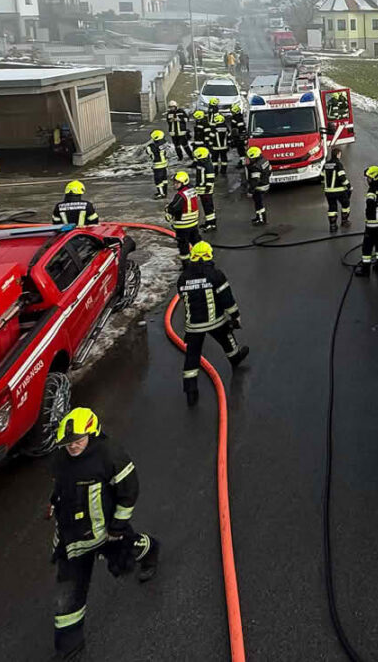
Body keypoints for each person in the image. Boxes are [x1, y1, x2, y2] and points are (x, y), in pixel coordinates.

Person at [48, 407, 159, 659]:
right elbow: (60, 487)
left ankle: (150, 550)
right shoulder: (60, 460)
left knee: (127, 556)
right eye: (68, 443)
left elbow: (129, 490)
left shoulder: (109, 455)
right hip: (72, 539)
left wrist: (118, 527)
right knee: (68, 596)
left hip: (107, 532)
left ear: (91, 434)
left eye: (78, 441)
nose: (73, 447)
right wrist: (53, 503)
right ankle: (70, 648)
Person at [176, 241, 249, 406]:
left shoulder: (183, 278)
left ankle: (190, 391)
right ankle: (235, 358)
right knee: (227, 339)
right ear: (209, 256)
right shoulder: (216, 275)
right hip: (216, 321)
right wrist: (235, 316)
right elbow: (227, 299)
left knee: (192, 357)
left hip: (193, 326)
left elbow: (183, 297)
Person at [355, 165, 378, 277]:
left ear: (374, 177)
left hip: (373, 224)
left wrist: (368, 218)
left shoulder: (371, 191)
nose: (368, 180)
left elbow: (370, 206)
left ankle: (365, 270)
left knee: (367, 247)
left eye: (369, 178)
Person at [165, 170, 202, 261]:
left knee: (183, 247)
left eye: (177, 183)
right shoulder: (192, 190)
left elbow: (174, 207)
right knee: (196, 242)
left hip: (183, 225)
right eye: (174, 182)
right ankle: (201, 259)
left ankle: (186, 265)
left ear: (183, 182)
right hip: (193, 223)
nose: (175, 184)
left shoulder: (181, 195)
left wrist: (168, 210)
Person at [320, 144, 351, 232]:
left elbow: (322, 176)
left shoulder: (326, 164)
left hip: (328, 192)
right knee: (345, 205)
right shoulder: (338, 164)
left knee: (332, 207)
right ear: (338, 154)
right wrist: (349, 186)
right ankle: (344, 222)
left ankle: (332, 226)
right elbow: (342, 177)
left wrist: (326, 186)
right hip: (339, 190)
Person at [192, 146, 217, 231]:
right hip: (202, 188)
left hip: (206, 190)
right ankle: (209, 221)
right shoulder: (201, 163)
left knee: (208, 207)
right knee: (206, 206)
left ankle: (211, 224)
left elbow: (210, 178)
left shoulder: (208, 165)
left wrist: (207, 189)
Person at [244, 146, 270, 225]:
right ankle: (259, 217)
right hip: (265, 184)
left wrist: (250, 191)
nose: (247, 159)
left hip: (259, 188)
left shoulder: (255, 167)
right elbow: (269, 171)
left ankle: (261, 219)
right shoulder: (264, 160)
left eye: (249, 158)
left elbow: (255, 180)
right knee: (258, 203)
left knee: (259, 204)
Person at [146, 130, 169, 199]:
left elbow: (148, 152)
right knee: (164, 179)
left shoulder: (151, 147)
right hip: (164, 164)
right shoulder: (164, 143)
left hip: (157, 166)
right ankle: (165, 192)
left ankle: (161, 194)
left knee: (158, 181)